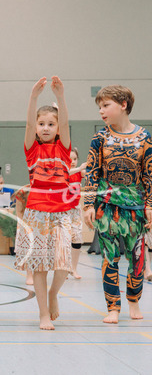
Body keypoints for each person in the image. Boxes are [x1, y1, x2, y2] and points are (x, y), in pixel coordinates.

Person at [83, 85, 152, 324]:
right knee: (109, 258)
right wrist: (88, 204)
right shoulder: (100, 138)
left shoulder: (144, 137)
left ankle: (133, 300)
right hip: (106, 206)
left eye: (106, 105)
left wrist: (150, 205)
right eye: (99, 107)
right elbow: (92, 172)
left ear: (123, 105)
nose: (101, 111)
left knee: (137, 258)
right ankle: (113, 307)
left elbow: (149, 175)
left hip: (135, 207)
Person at [15, 76, 75, 330]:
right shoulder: (32, 151)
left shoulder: (64, 150)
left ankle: (53, 293)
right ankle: (43, 314)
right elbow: (29, 123)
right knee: (39, 266)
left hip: (61, 213)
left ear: (58, 128)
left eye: (51, 124)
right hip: (37, 213)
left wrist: (60, 96)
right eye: (42, 124)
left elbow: (66, 122)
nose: (46, 128)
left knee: (63, 263)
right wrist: (34, 97)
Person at [67, 148, 87, 279]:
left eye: (75, 159)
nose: (73, 161)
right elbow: (66, 172)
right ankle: (63, 269)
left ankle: (73, 269)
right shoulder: (63, 172)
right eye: (70, 159)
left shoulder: (79, 173)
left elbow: (90, 173)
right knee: (63, 240)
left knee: (77, 239)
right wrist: (80, 168)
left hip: (75, 209)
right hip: (62, 210)